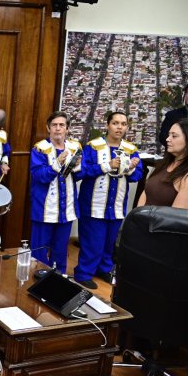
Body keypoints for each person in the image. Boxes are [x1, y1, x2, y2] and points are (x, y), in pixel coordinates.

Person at [75, 111, 143, 289]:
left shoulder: (131, 149)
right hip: (93, 204)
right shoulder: (92, 146)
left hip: (117, 205)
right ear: (107, 125)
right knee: (92, 241)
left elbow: (137, 176)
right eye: (115, 123)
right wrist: (107, 166)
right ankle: (84, 273)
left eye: (123, 124)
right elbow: (81, 172)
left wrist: (129, 168)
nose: (119, 127)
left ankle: (103, 269)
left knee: (109, 242)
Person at [29, 111, 83, 272]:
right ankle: (34, 280)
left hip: (66, 209)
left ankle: (58, 281)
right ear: (48, 128)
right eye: (54, 125)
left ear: (67, 129)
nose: (58, 129)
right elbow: (39, 176)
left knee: (60, 251)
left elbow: (81, 175)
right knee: (39, 251)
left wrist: (77, 166)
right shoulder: (40, 149)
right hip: (44, 209)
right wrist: (57, 163)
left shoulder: (75, 147)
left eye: (61, 125)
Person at [138, 118, 188, 208]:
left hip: (160, 222)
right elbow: (146, 193)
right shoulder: (164, 164)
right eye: (169, 135)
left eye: (174, 136)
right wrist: (137, 218)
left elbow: (175, 217)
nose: (167, 139)